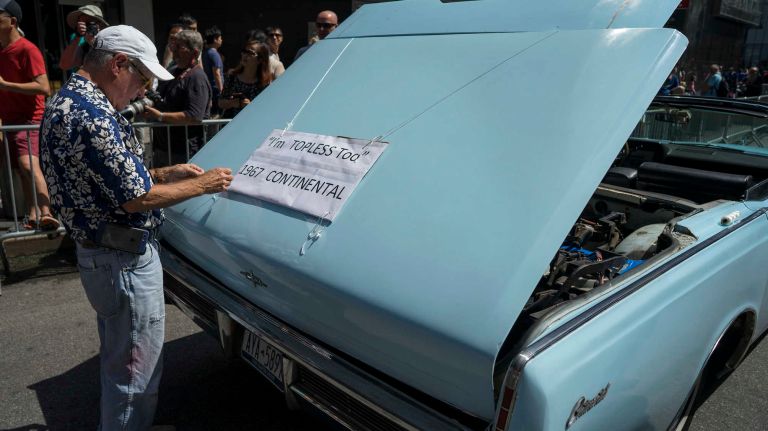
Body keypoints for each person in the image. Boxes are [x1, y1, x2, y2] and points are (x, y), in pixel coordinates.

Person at [39, 25, 233, 430]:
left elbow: (112, 178)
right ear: (118, 64)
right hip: (122, 258)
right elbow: (134, 199)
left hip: (103, 255)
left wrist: (166, 172)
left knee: (122, 360)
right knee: (134, 373)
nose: (142, 90)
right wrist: (204, 183)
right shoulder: (93, 115)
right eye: (141, 78)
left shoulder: (66, 102)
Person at [0, 0, 59, 231]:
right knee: (21, 170)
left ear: (12, 21)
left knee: (28, 164)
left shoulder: (27, 49)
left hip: (30, 119)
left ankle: (47, 211)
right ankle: (34, 215)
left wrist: (6, 85)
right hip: (10, 121)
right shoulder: (2, 51)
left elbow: (43, 87)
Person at [144, 30, 211, 163]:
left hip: (183, 153)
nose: (174, 51)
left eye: (180, 47)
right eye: (173, 46)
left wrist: (160, 116)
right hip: (162, 149)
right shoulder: (173, 72)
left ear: (195, 52)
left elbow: (194, 116)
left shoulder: (197, 77)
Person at [219, 40, 272, 119]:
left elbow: (267, 108)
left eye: (250, 53)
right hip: (231, 126)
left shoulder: (264, 84)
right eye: (244, 51)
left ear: (260, 60)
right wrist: (234, 103)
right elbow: (220, 103)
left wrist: (251, 106)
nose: (245, 55)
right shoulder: (232, 77)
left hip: (252, 125)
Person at [59, 4, 109, 72]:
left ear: (100, 25)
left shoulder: (109, 41)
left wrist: (92, 41)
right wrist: (77, 37)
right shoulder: (81, 45)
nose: (87, 26)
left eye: (90, 23)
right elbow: (64, 65)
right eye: (83, 23)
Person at [202, 26, 224, 116]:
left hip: (209, 90)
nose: (222, 40)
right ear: (215, 39)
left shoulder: (205, 53)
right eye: (220, 38)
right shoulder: (214, 54)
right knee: (217, 117)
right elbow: (217, 73)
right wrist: (222, 91)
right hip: (216, 91)